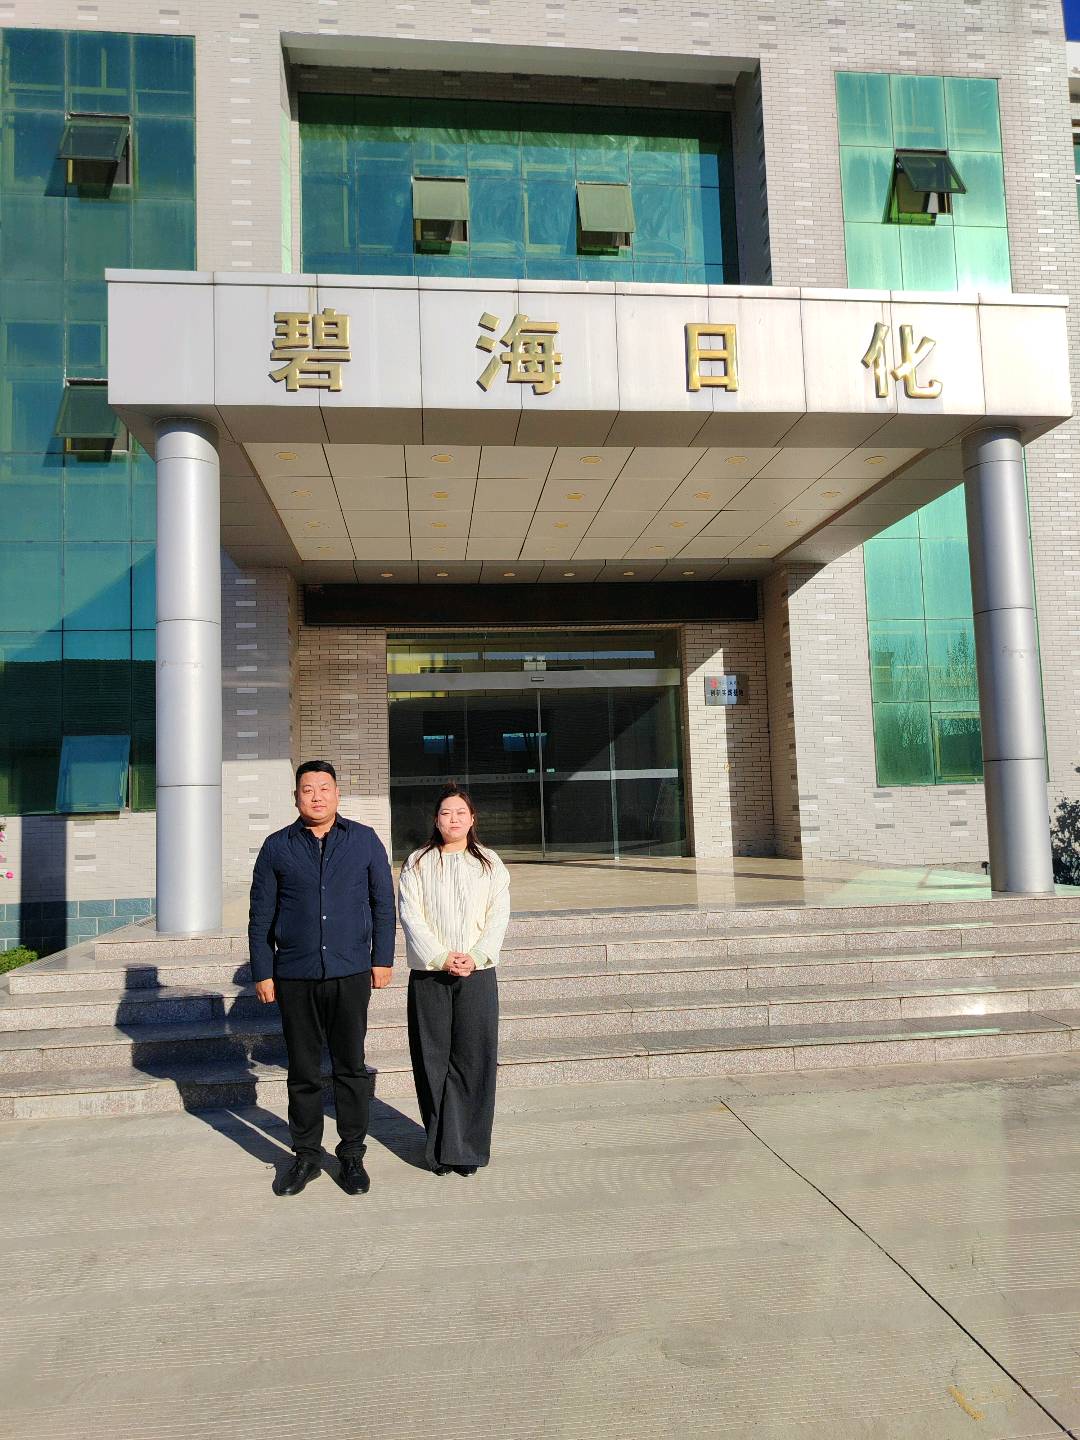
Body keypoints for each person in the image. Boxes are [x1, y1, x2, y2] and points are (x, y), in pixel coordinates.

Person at [248, 760, 395, 1197]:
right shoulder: (277, 846)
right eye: (308, 789)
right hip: (295, 974)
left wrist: (382, 958)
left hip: (351, 971)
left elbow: (383, 904)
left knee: (351, 1067)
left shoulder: (364, 840)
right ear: (296, 797)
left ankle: (352, 1155)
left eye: (324, 788)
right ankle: (306, 1156)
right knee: (303, 1070)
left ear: (337, 794)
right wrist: (263, 970)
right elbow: (261, 916)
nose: (316, 796)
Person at [398, 784, 510, 1177]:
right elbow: (411, 916)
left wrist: (475, 955)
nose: (454, 819)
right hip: (430, 975)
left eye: (461, 812)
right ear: (436, 819)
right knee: (432, 1061)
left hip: (477, 974)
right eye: (446, 813)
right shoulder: (418, 862)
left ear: (472, 818)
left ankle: (467, 1150)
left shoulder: (490, 863)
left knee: (474, 1061)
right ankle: (439, 1148)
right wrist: (441, 956)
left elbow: (498, 916)